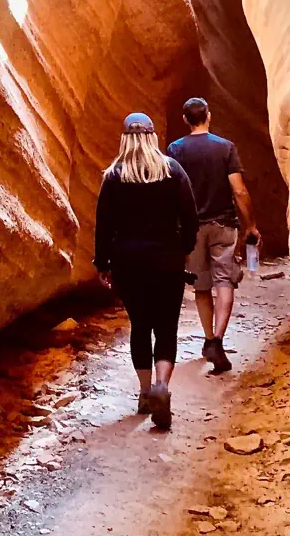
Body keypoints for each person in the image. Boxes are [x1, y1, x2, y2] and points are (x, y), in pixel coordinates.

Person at [93, 112, 199, 429]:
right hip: (167, 259)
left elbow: (104, 225)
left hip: (128, 262)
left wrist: (103, 263)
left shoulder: (114, 176)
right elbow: (191, 216)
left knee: (140, 326)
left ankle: (143, 392)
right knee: (166, 327)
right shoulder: (172, 170)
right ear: (152, 137)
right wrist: (185, 247)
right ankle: (162, 387)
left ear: (125, 139)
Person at [168, 98, 261, 375]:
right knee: (225, 281)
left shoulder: (175, 150)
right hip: (223, 225)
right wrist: (251, 225)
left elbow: (172, 190)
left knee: (201, 286)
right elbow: (240, 190)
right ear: (208, 115)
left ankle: (208, 337)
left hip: (192, 227)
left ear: (186, 119)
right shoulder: (225, 148)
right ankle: (218, 339)